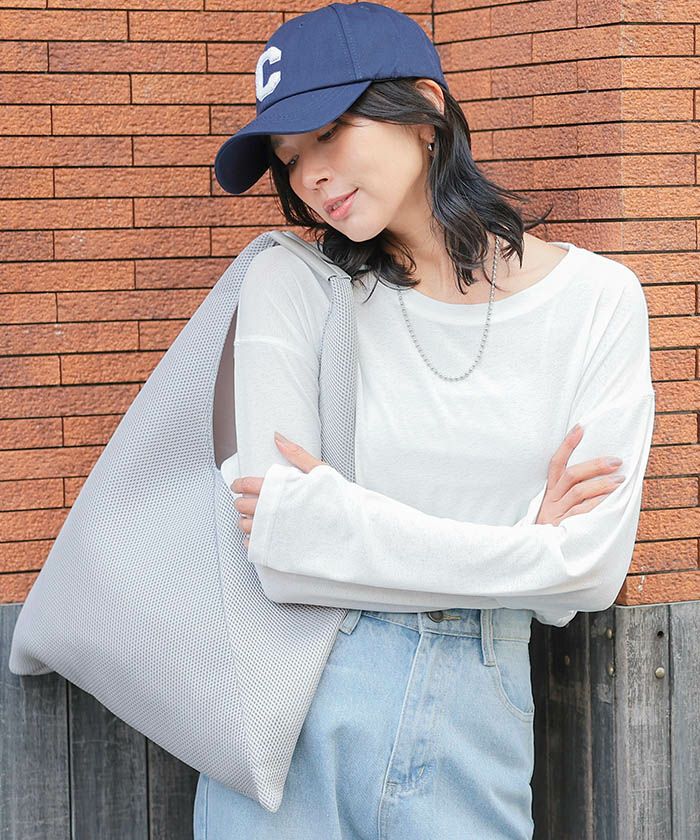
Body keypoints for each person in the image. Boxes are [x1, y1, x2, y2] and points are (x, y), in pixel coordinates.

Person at [195, 2, 656, 837]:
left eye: (329, 132)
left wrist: (343, 520)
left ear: (425, 110)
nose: (309, 178)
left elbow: (589, 573)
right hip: (296, 699)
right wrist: (529, 547)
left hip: (478, 706)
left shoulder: (598, 301)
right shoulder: (292, 284)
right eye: (289, 159)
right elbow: (282, 553)